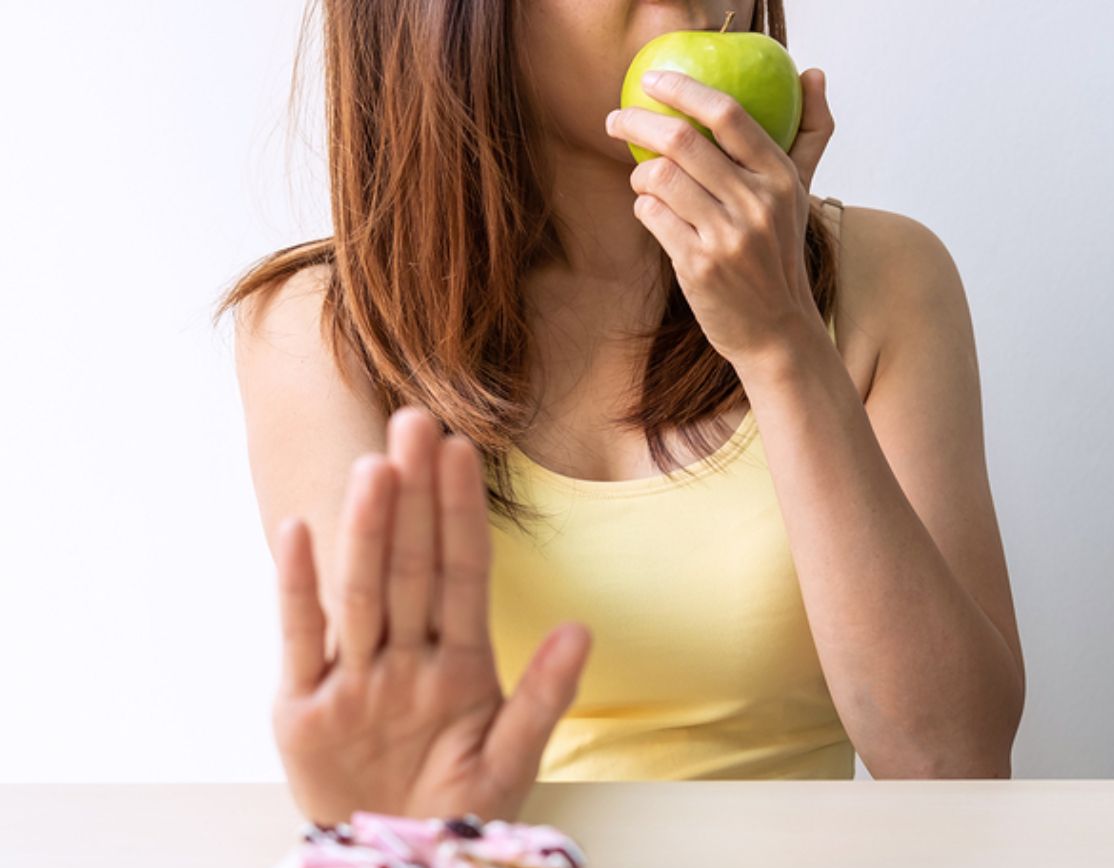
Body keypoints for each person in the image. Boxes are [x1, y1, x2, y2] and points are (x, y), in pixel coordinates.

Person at [215, 1, 1025, 825]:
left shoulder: (886, 279)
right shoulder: (329, 334)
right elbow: (389, 773)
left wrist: (783, 343)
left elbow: (952, 762)